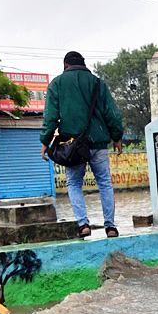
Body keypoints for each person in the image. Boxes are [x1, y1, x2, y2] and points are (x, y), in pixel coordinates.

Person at [41, 51, 124, 238]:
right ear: (84, 65)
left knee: (74, 183)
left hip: (73, 145)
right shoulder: (98, 83)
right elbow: (113, 113)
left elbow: (51, 117)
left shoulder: (57, 84)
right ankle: (110, 227)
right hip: (99, 143)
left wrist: (46, 141)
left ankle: (83, 225)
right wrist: (116, 137)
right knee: (104, 183)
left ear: (66, 66)